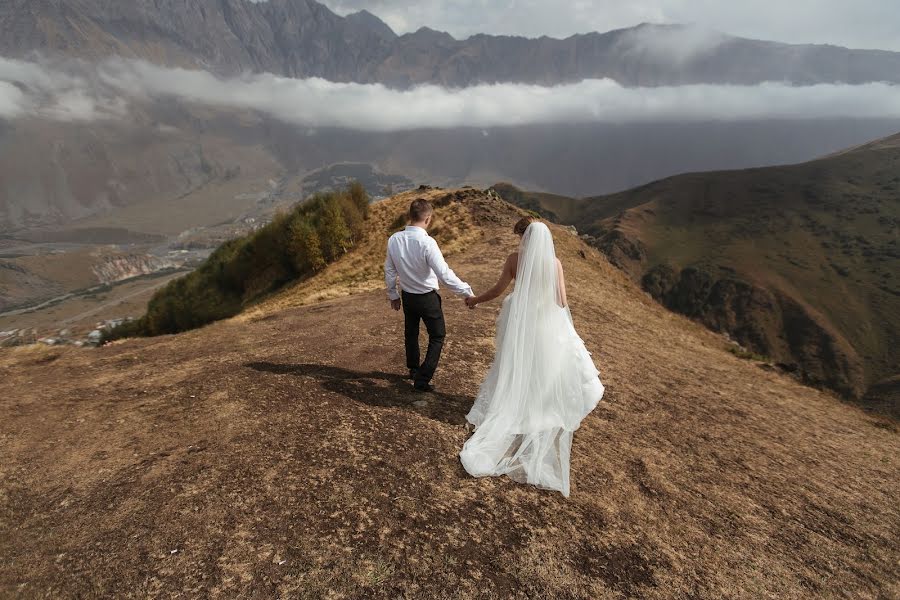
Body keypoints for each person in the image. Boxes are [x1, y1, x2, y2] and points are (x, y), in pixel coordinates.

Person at [459, 217, 604, 497]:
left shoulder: (514, 259)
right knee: (545, 366)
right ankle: (539, 405)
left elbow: (499, 289)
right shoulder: (555, 264)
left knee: (515, 365)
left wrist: (475, 300)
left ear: (524, 238)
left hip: (519, 321)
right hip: (544, 322)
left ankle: (515, 402)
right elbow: (561, 302)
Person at [384, 199, 475, 392]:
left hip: (407, 296)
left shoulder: (394, 239)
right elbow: (444, 274)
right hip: (427, 298)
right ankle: (422, 379)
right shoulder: (428, 243)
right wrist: (466, 291)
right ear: (428, 219)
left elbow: (390, 270)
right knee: (437, 336)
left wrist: (393, 295)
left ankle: (413, 369)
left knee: (411, 332)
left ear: (410, 216)